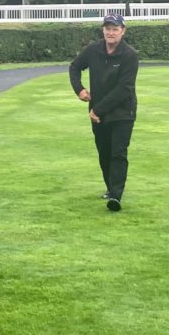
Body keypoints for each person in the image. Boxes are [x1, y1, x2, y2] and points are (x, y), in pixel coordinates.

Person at [69, 13, 138, 212]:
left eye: (115, 29)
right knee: (104, 152)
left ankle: (116, 195)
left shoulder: (129, 55)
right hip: (98, 114)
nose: (111, 32)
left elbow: (124, 89)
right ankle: (110, 188)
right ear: (103, 30)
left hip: (123, 113)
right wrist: (79, 89)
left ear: (123, 31)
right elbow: (75, 67)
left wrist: (97, 109)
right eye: (107, 28)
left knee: (118, 152)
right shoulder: (93, 50)